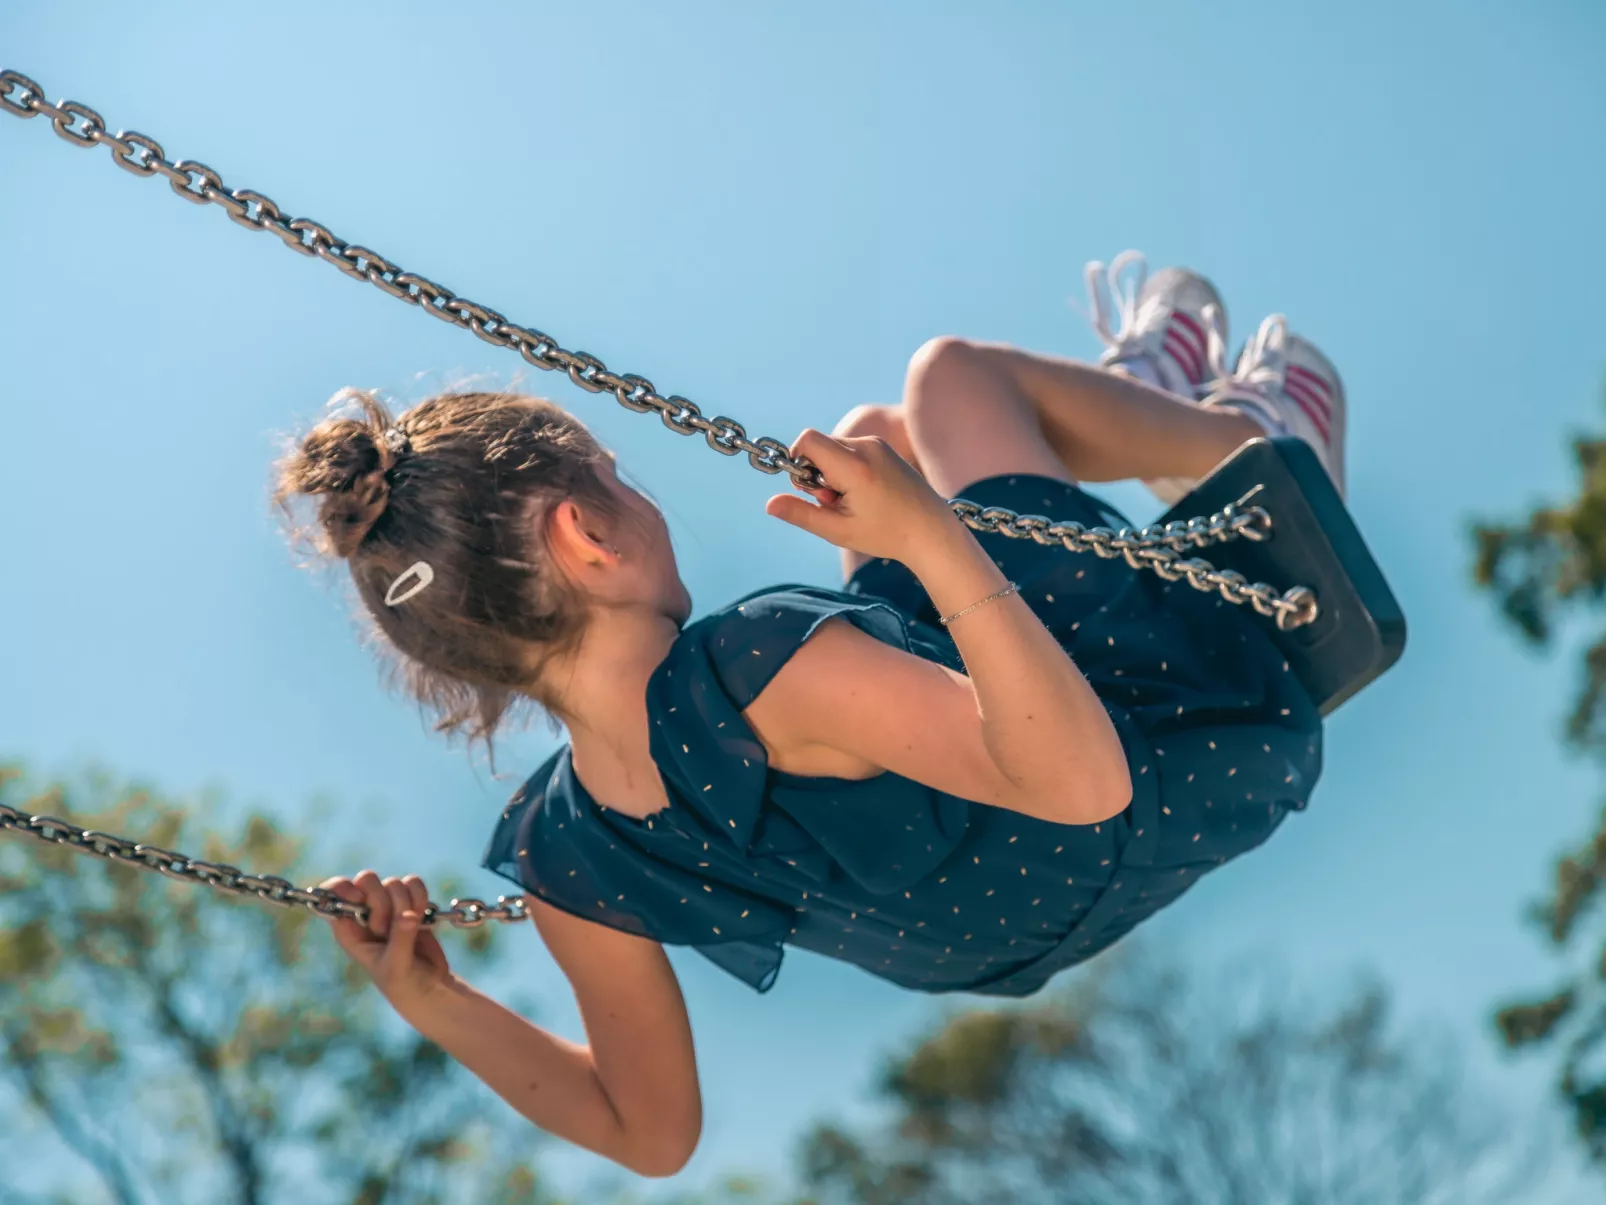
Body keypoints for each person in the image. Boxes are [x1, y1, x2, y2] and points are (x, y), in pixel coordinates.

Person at [281, 253, 1344, 1175]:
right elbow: (1083, 784)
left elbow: (647, 1132)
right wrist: (930, 540)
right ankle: (1236, 430)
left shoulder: (563, 849)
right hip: (1175, 738)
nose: (635, 489)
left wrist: (436, 1003)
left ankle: (1119, 409)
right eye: (615, 474)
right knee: (950, 382)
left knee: (876, 437)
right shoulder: (759, 663)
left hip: (1004, 934)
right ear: (585, 538)